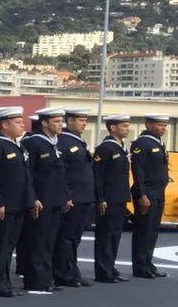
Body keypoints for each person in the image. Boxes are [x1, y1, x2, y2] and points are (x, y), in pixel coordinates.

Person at [0, 107, 34, 297]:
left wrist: (30, 199)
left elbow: (25, 176)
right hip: (5, 204)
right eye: (17, 122)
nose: (22, 125)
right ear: (4, 124)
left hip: (18, 203)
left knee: (9, 246)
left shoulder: (15, 145)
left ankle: (5, 281)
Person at [18, 108, 69, 294]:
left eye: (61, 121)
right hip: (41, 200)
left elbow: (60, 174)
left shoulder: (55, 144)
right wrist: (33, 198)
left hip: (55, 199)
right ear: (45, 123)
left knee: (49, 241)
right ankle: (35, 280)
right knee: (37, 241)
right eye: (56, 121)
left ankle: (46, 278)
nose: (60, 125)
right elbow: (28, 174)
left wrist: (65, 197)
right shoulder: (34, 143)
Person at [53, 108, 96, 287]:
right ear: (69, 121)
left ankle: (71, 270)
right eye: (80, 120)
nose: (84, 123)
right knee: (66, 237)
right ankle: (63, 273)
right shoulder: (63, 141)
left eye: (85, 120)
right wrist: (66, 196)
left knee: (74, 237)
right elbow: (62, 173)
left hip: (83, 197)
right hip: (73, 197)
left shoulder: (78, 142)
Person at [92, 114, 133, 283]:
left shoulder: (120, 147)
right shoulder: (105, 148)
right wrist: (100, 198)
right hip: (108, 198)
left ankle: (110, 266)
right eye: (123, 125)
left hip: (119, 198)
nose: (127, 128)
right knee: (105, 235)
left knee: (115, 234)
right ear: (113, 127)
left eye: (127, 125)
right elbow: (98, 176)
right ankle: (103, 271)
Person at [129, 114, 170, 279]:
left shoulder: (158, 143)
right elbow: (138, 171)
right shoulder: (142, 143)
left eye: (165, 126)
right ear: (149, 125)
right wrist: (142, 194)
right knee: (143, 230)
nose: (163, 128)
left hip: (158, 192)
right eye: (159, 125)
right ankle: (140, 266)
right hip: (147, 192)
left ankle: (148, 262)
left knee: (153, 230)